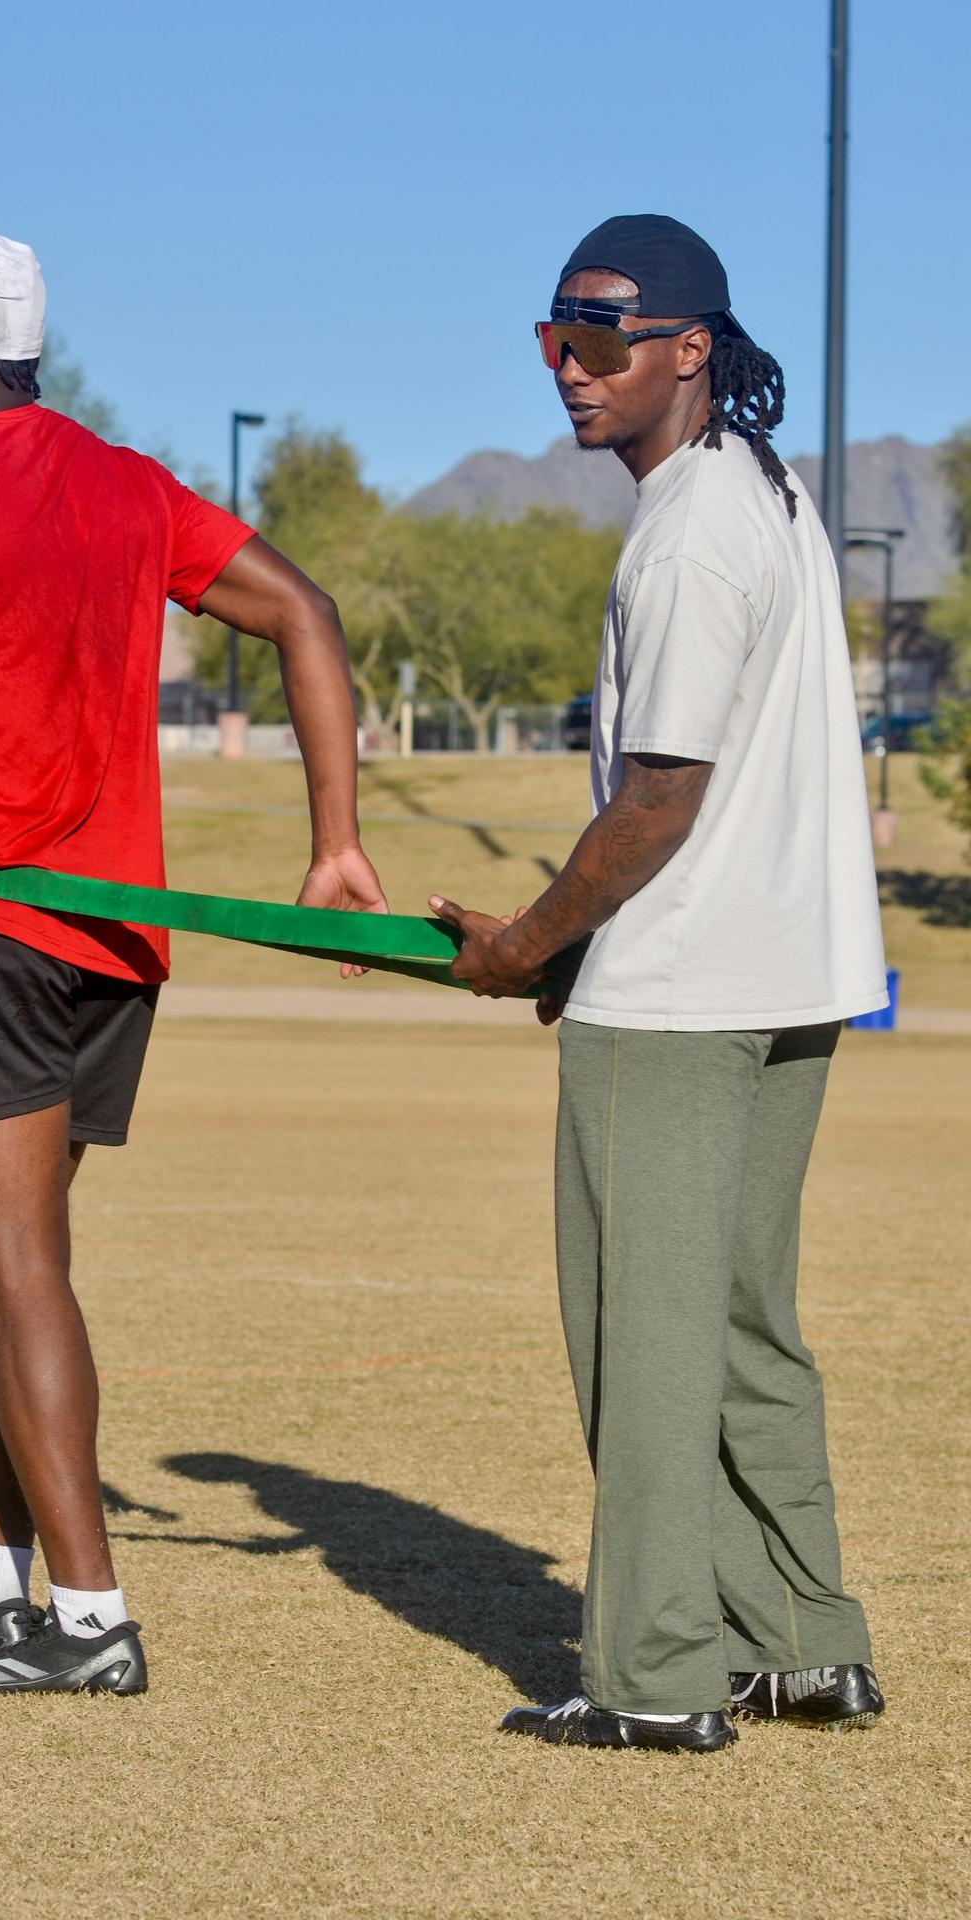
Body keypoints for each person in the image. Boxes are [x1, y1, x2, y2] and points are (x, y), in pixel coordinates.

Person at [0, 229, 386, 1697]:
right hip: (115, 946)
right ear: (30, 356)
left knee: (15, 1276)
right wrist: (334, 843)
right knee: (11, 1274)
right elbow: (306, 613)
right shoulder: (128, 484)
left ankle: (88, 1620)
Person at [429, 215, 888, 1753]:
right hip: (786, 981)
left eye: (604, 338)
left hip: (682, 996)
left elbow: (659, 800)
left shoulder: (692, 525)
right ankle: (803, 1640)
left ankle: (656, 1676)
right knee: (748, 1323)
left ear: (690, 348)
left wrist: (526, 944)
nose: (572, 367)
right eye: (554, 335)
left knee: (646, 1333)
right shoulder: (769, 489)